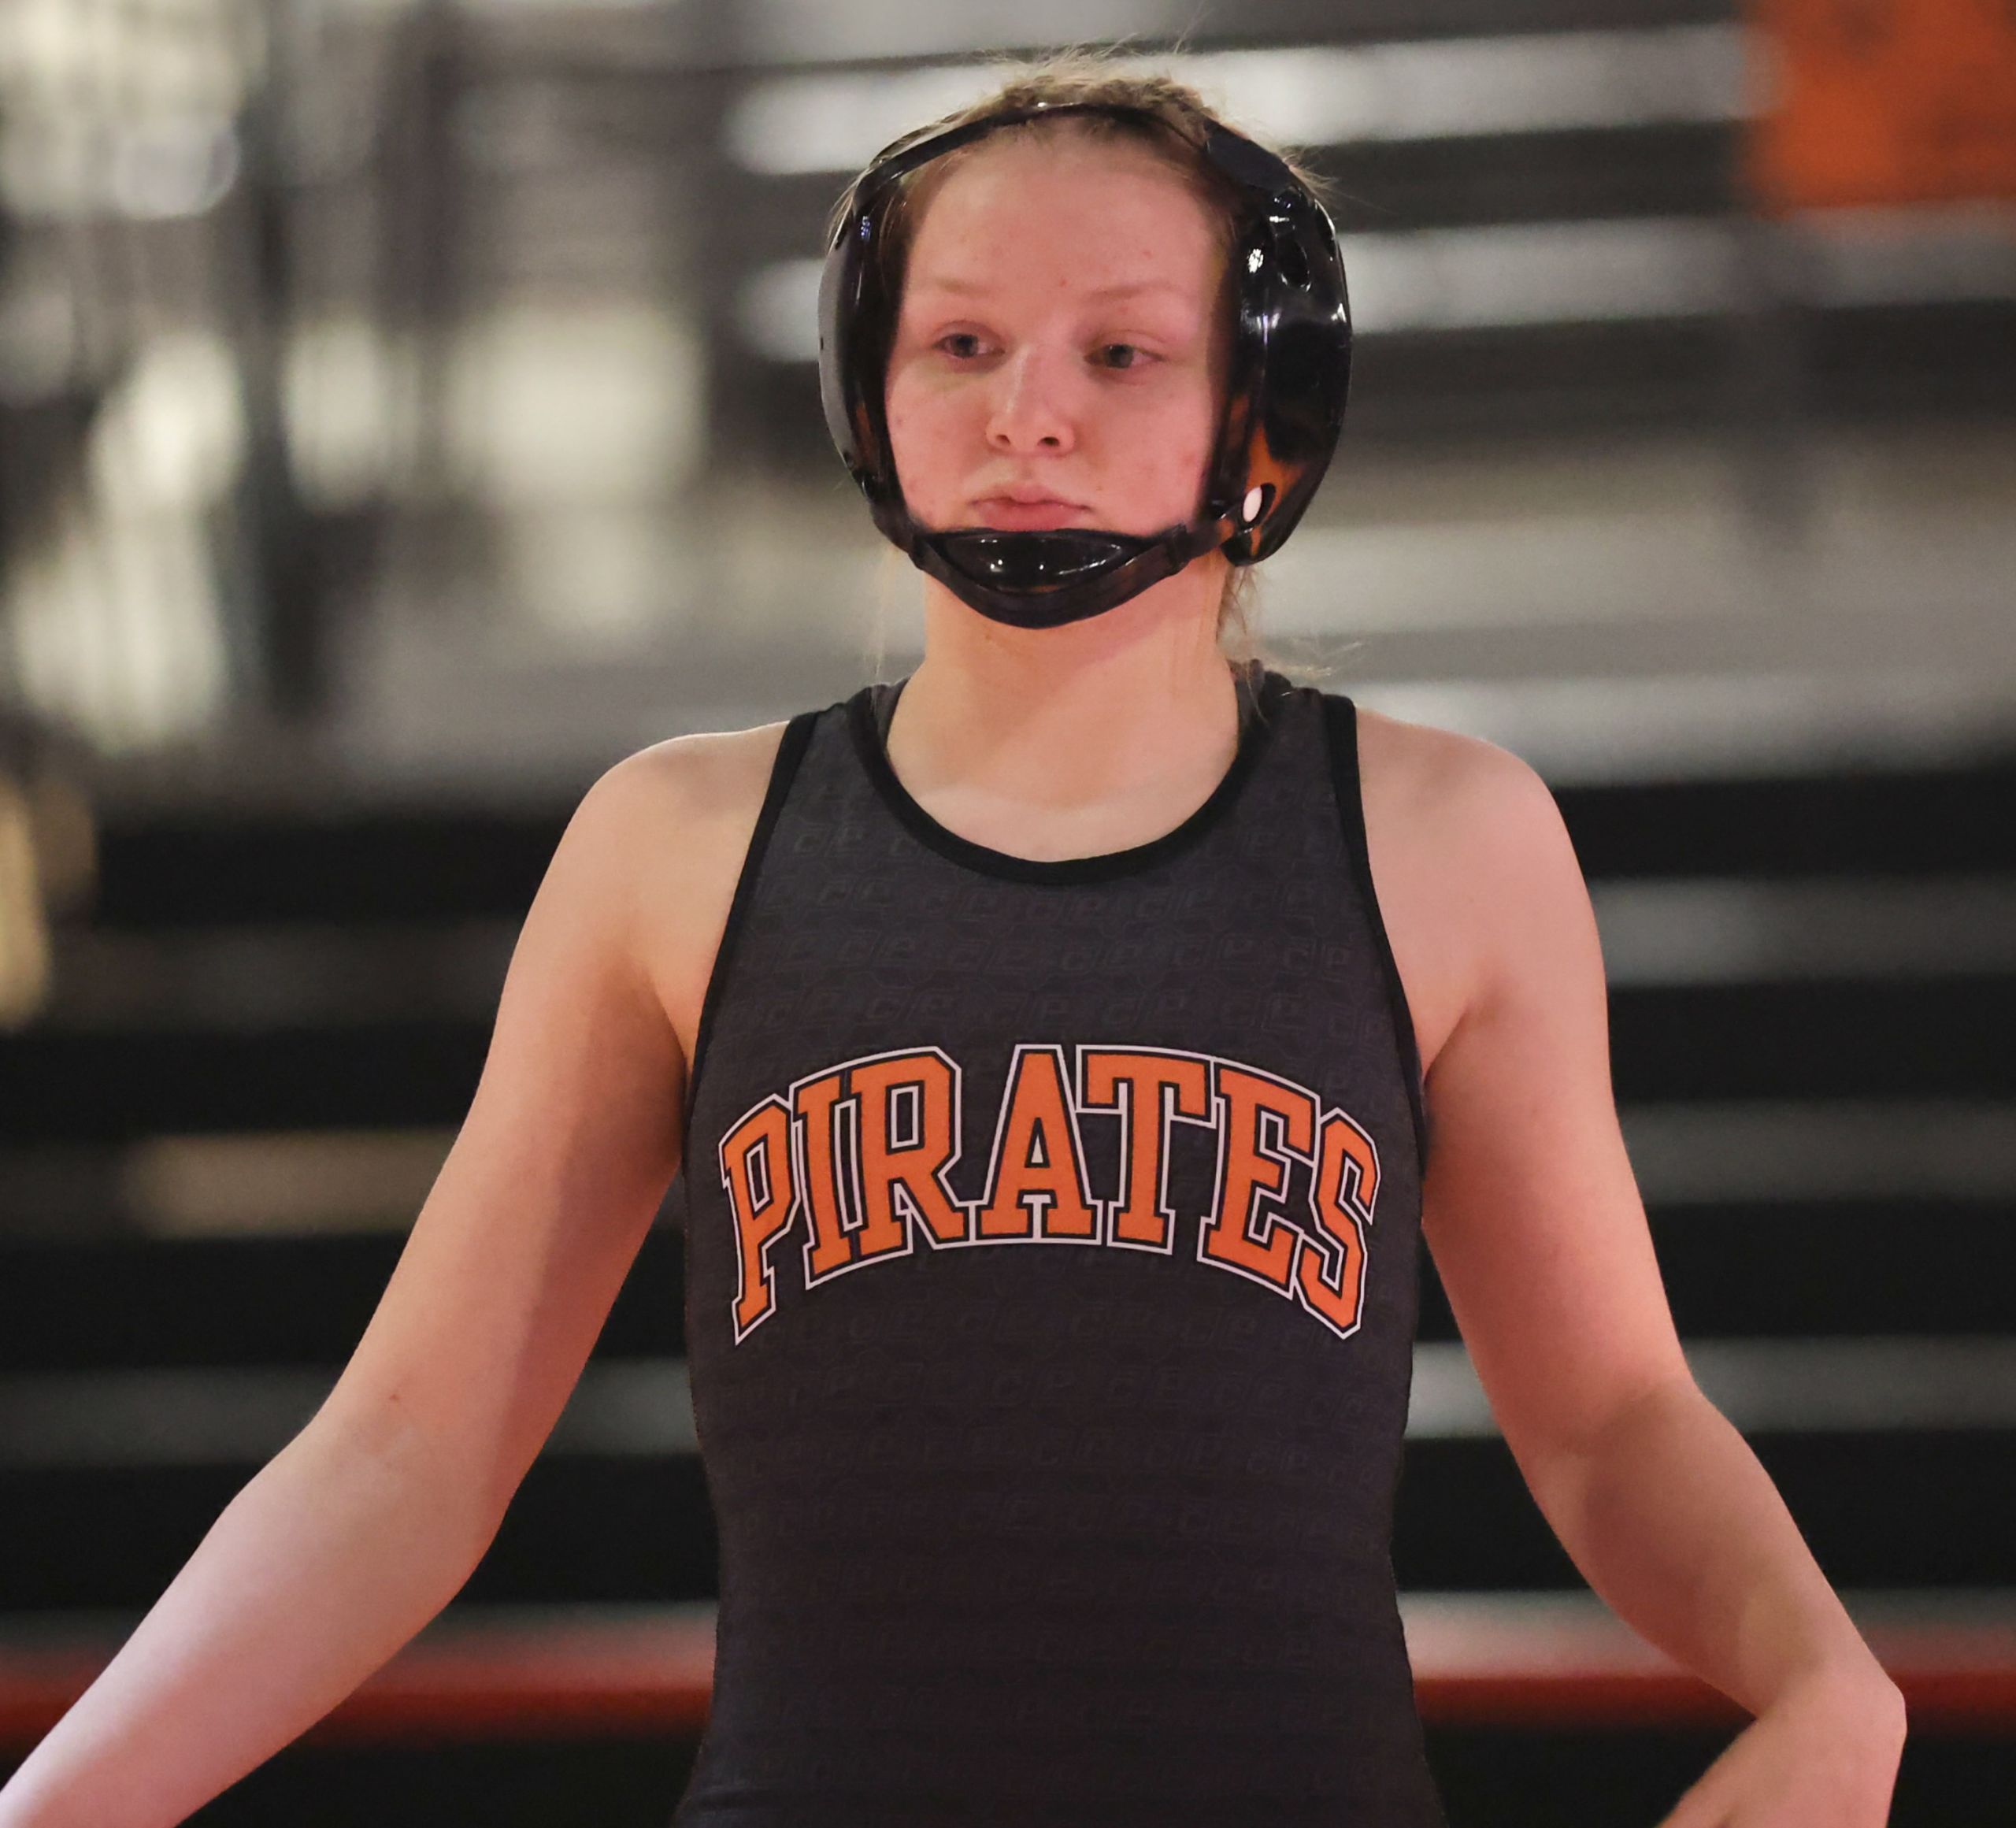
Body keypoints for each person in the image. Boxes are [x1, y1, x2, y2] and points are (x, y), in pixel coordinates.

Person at [0, 63, 1905, 1828]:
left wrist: (1821, 1678)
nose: (1026, 415)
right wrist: (57, 1805)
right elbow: (408, 1455)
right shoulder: (672, 848)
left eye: (1121, 351)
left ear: (1263, 403)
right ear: (865, 386)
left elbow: (1607, 1423)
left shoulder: (1445, 841)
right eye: (961, 343)